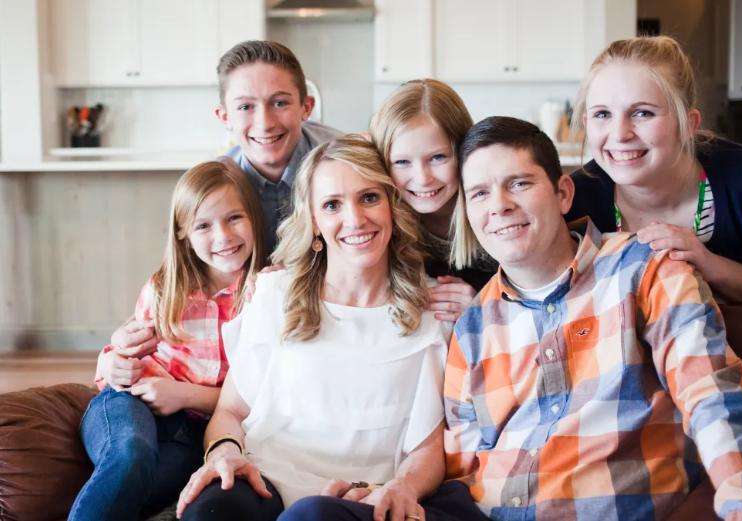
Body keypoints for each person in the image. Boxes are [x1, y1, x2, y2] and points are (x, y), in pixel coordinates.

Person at [447, 116, 742, 520]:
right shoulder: (471, 327)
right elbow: (463, 466)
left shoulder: (645, 271)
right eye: (480, 193)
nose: (499, 205)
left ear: (563, 194)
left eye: (519, 183)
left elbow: (713, 395)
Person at [175, 136, 486, 521]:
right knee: (209, 510)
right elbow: (231, 411)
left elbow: (429, 447)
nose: (355, 219)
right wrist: (224, 452)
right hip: (265, 476)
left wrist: (402, 487)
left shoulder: (435, 309)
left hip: (365, 495)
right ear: (314, 222)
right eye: (332, 205)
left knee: (312, 516)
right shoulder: (274, 293)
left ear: (392, 206)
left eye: (369, 197)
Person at [110, 40, 341, 362]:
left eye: (279, 103)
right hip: (258, 331)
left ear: (307, 107)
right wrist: (120, 343)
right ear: (224, 116)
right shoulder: (217, 186)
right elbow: (185, 275)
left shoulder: (343, 166)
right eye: (246, 107)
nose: (265, 122)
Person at [69, 160, 265, 521]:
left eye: (234, 218)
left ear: (255, 218)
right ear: (183, 233)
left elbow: (259, 396)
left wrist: (184, 395)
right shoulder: (166, 289)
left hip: (193, 430)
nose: (223, 236)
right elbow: (122, 355)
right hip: (129, 404)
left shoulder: (263, 295)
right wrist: (115, 364)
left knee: (157, 484)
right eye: (203, 225)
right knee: (130, 454)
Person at [565, 35, 742, 302]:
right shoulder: (574, 202)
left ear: (688, 124)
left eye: (642, 113)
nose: (619, 134)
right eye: (602, 114)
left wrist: (707, 262)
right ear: (586, 122)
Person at [370, 79, 496, 323]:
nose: (423, 178)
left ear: (464, 152)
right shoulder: (384, 218)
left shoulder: (493, 213)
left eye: (438, 157)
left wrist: (484, 306)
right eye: (402, 162)